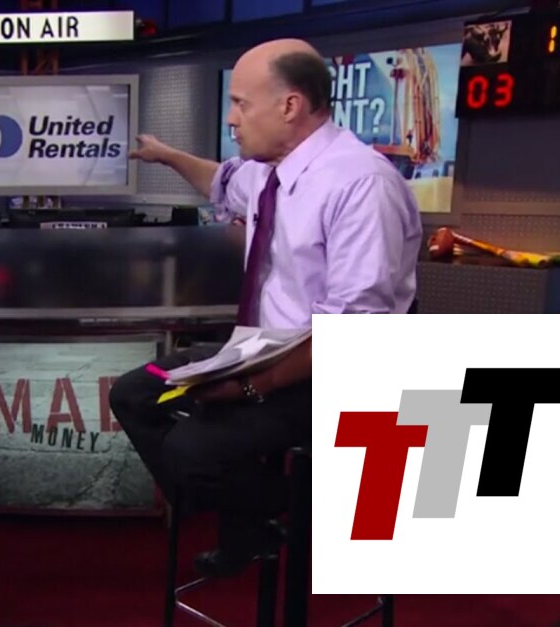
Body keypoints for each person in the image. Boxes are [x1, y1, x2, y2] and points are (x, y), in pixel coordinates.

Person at [109, 38, 422, 578]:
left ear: (290, 106)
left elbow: (353, 332)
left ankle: (309, 517)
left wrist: (252, 386)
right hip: (260, 350)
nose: (231, 119)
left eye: (240, 104)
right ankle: (257, 518)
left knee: (192, 449)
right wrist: (167, 155)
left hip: (330, 372)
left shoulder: (361, 185)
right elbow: (221, 182)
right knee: (136, 394)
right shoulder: (269, 170)